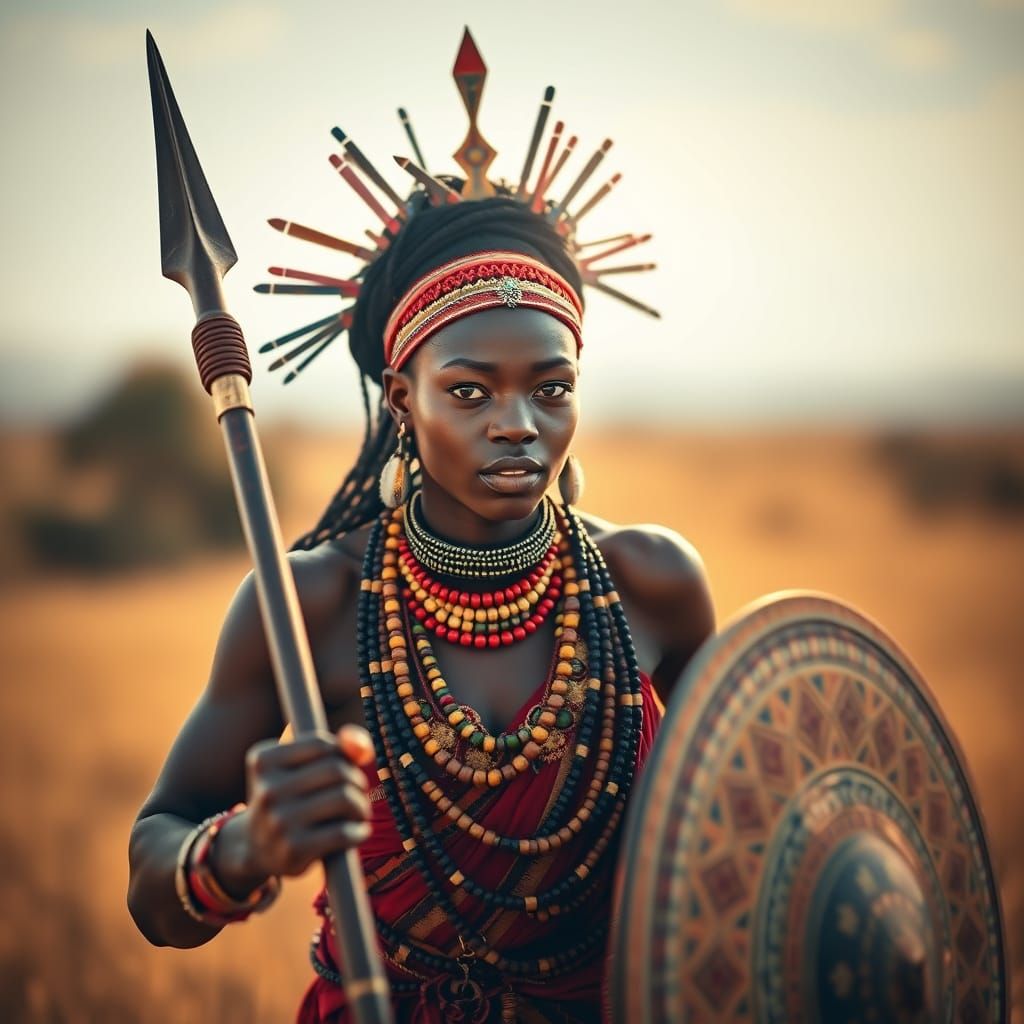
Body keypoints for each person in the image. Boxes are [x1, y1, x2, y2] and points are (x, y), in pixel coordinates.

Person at [128, 48, 714, 1024]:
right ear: (402, 398)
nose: (518, 424)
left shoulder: (650, 583)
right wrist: (239, 847)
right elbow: (155, 879)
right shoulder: (310, 601)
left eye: (552, 388)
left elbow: (743, 835)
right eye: (471, 391)